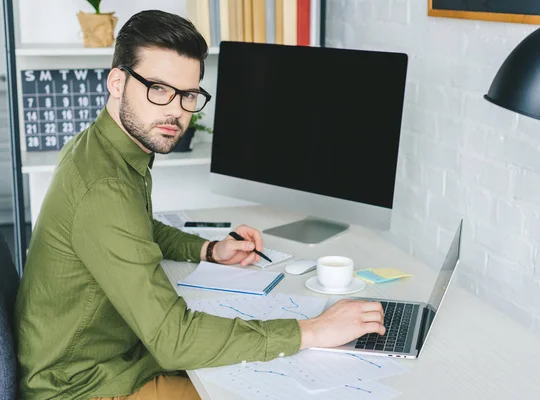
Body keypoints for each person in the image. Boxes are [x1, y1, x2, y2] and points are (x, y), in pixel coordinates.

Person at [14, 9, 385, 400]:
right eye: (158, 88)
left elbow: (137, 226)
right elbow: (174, 340)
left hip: (115, 357)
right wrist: (313, 330)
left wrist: (208, 250)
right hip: (81, 387)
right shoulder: (104, 185)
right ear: (117, 82)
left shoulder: (104, 149)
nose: (175, 110)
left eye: (188, 94)